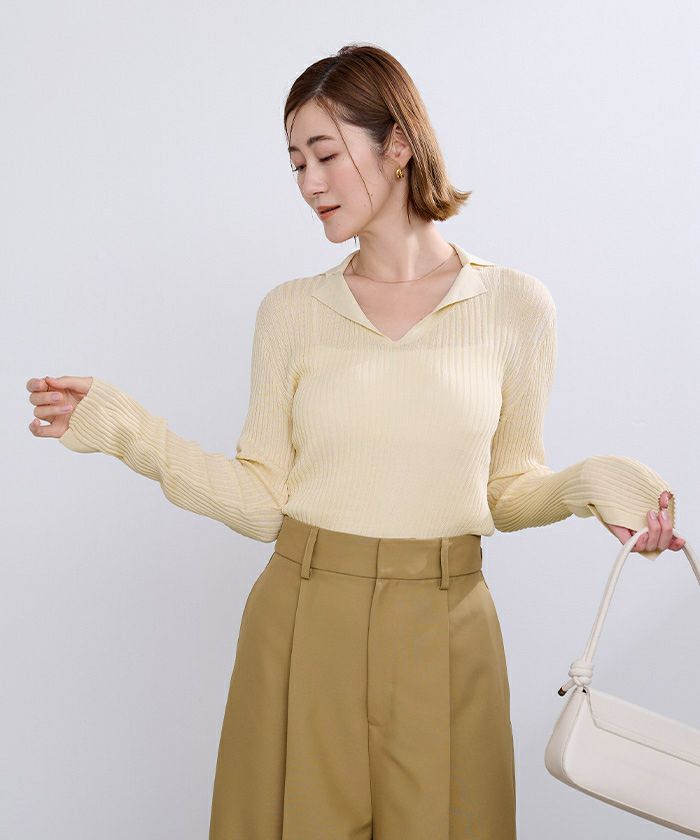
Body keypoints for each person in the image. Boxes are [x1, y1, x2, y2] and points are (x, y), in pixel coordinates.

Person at [26, 43, 684, 840]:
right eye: (296, 163)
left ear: (397, 144)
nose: (309, 183)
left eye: (326, 154)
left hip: (446, 628)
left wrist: (594, 483)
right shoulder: (291, 312)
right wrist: (127, 431)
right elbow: (261, 502)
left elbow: (507, 490)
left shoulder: (515, 305)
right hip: (303, 619)